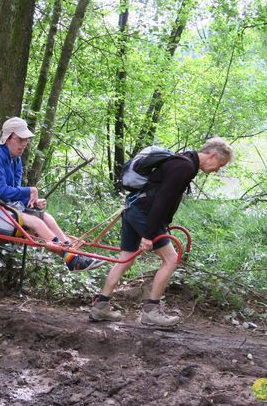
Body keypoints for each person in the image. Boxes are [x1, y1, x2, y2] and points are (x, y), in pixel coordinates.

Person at [90, 137, 233, 326]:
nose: (217, 170)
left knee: (127, 257)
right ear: (212, 155)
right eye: (219, 165)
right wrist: (149, 234)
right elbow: (162, 200)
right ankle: (151, 312)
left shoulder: (183, 159)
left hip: (133, 209)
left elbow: (160, 194)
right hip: (144, 213)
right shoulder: (185, 167)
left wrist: (161, 225)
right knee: (171, 259)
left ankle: (100, 307)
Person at [0, 117, 103, 270]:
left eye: (26, 139)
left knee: (46, 217)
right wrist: (29, 191)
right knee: (36, 222)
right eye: (21, 139)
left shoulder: (15, 159)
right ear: (8, 138)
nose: (24, 143)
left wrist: (31, 200)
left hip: (5, 204)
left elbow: (14, 189)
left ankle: (72, 254)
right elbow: (0, 190)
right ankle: (71, 258)